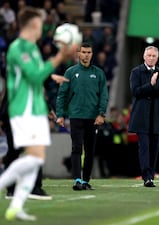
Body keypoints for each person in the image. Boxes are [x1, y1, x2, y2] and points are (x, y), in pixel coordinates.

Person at [0, 6, 77, 221]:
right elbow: (34, 76)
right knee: (31, 157)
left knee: (36, 158)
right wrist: (60, 56)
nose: (43, 28)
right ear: (33, 25)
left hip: (35, 108)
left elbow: (37, 74)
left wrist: (52, 75)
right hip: (22, 108)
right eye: (41, 24)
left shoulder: (32, 48)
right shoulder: (18, 48)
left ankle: (16, 206)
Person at [56, 42, 109, 191]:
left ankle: (86, 180)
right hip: (76, 116)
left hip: (93, 118)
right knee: (76, 147)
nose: (86, 55)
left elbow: (104, 95)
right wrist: (60, 114)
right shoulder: (70, 72)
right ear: (78, 54)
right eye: (84, 52)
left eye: (89, 52)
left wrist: (101, 113)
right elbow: (62, 94)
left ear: (92, 54)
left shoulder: (99, 73)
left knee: (91, 150)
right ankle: (77, 179)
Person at [128, 46, 159, 187]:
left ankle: (151, 175)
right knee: (144, 147)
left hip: (156, 115)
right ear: (144, 57)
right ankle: (146, 176)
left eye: (154, 56)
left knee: (154, 148)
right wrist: (151, 84)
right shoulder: (136, 72)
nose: (151, 58)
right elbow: (135, 92)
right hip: (142, 116)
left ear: (157, 58)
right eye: (149, 55)